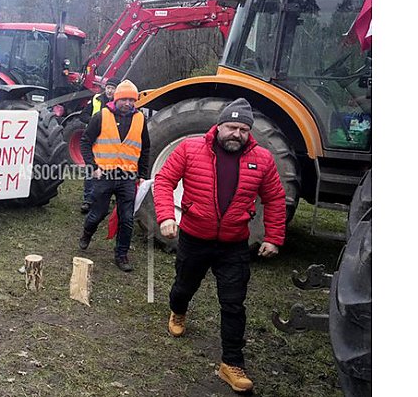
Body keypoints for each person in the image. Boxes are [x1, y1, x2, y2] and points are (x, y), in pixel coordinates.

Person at [152, 98, 286, 393]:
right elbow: (163, 180)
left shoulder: (262, 159)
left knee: (234, 303)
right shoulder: (189, 148)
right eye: (231, 127)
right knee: (184, 287)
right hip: (194, 237)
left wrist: (274, 237)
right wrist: (165, 216)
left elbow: (275, 199)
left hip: (234, 244)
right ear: (219, 126)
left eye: (242, 129)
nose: (236, 134)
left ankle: (232, 363)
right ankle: (178, 310)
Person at [78, 79, 150, 272]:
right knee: (98, 213)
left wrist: (142, 174)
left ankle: (122, 255)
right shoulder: (101, 116)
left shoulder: (141, 119)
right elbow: (85, 141)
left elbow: (145, 148)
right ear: (116, 99)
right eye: (125, 99)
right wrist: (93, 166)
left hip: (128, 177)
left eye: (132, 100)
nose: (128, 103)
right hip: (104, 175)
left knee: (126, 218)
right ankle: (87, 233)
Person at [79, 77, 120, 213]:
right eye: (108, 87)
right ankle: (87, 200)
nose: (110, 90)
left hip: (110, 143)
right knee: (91, 169)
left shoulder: (120, 103)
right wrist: (95, 122)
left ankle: (104, 200)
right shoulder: (96, 99)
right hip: (94, 139)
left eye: (113, 88)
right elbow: (83, 115)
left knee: (108, 172)